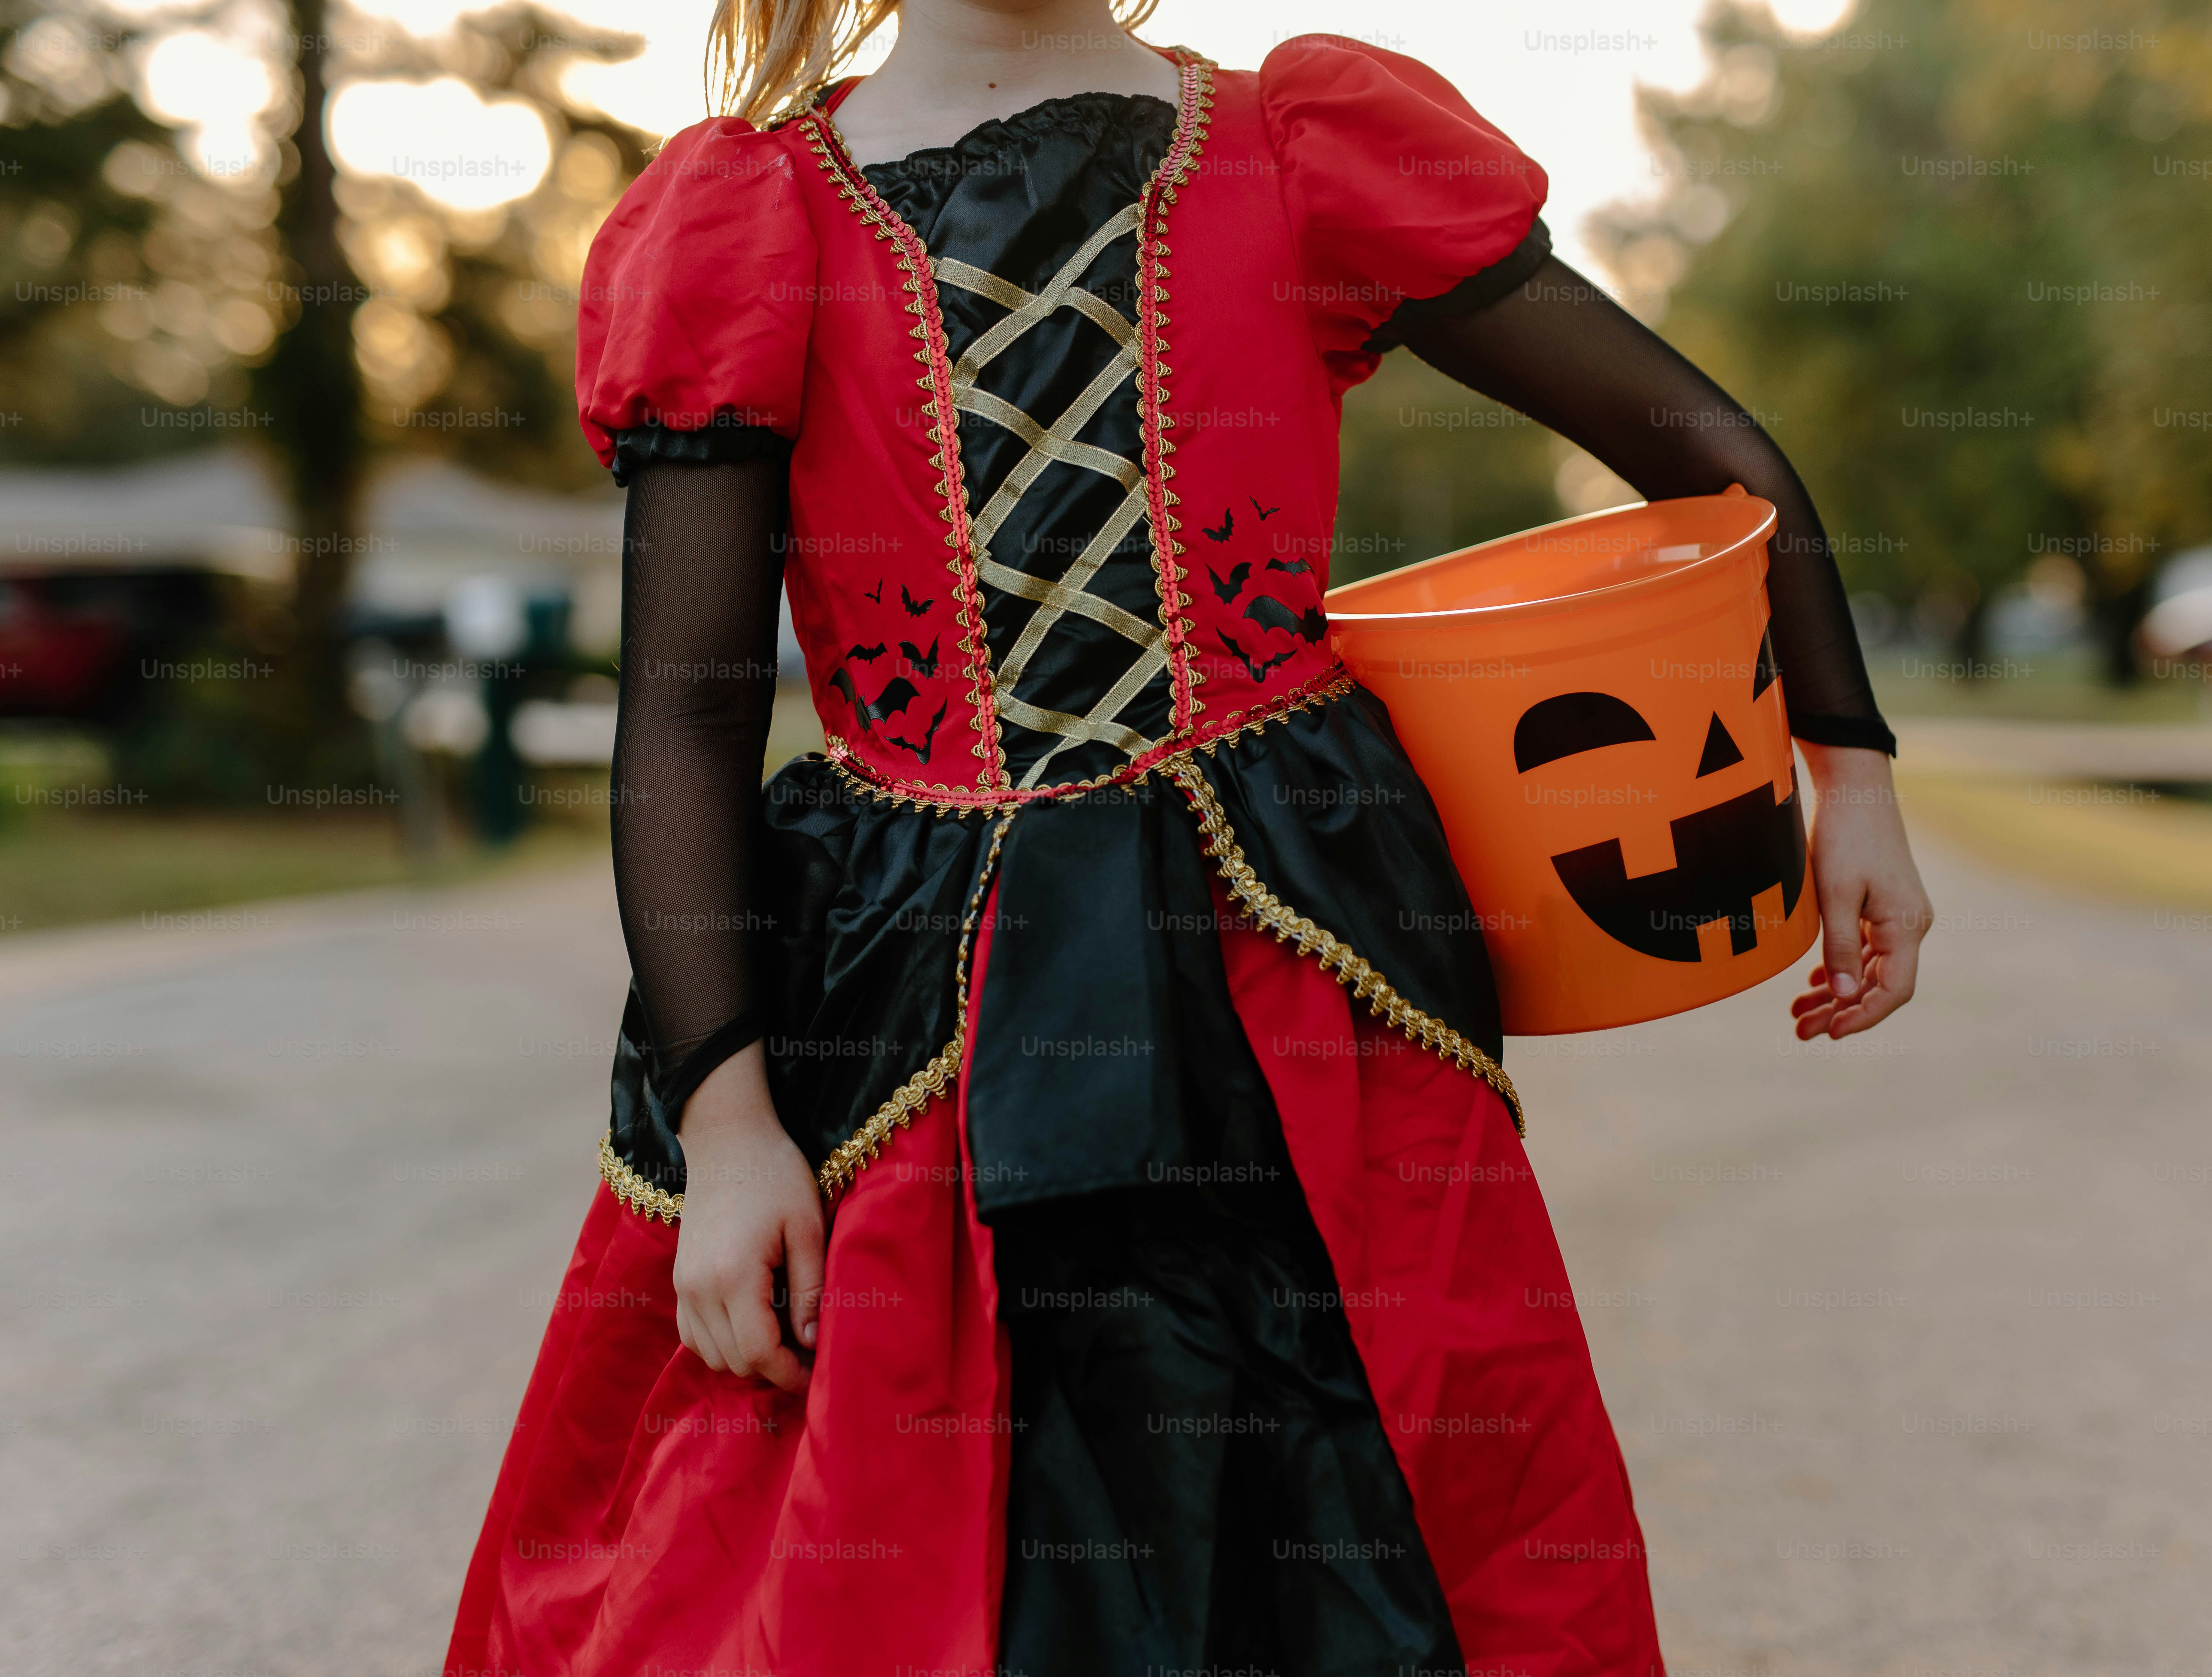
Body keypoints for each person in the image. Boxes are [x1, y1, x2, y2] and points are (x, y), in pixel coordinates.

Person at [449, 1, 1932, 1672]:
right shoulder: (750, 218)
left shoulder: (1303, 145)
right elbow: (688, 717)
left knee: (1387, 1490)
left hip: (1300, 969)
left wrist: (1850, 766)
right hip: (919, 1005)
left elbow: (1704, 459)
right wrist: (728, 1132)